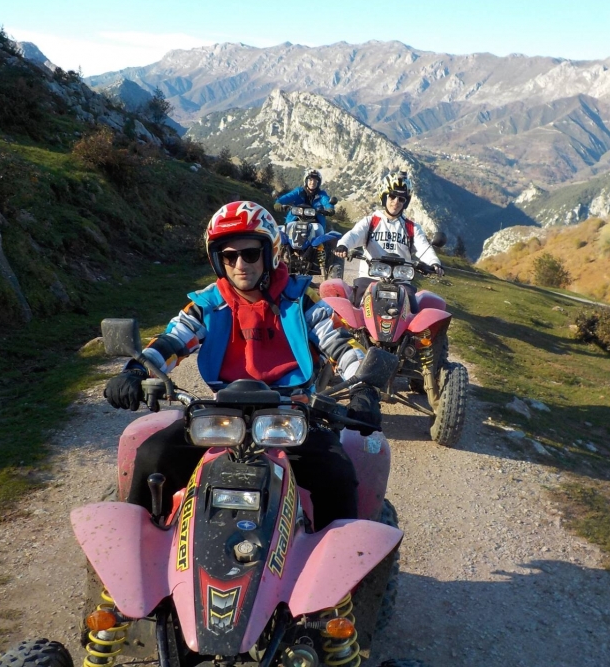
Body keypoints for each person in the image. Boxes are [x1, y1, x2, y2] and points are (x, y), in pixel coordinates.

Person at [103, 201, 381, 530]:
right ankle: (138, 558)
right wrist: (135, 370)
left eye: (250, 254)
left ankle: (343, 570)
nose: (240, 264)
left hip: (291, 415)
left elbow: (337, 343)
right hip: (221, 416)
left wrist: (363, 385)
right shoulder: (208, 304)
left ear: (270, 253)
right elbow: (172, 341)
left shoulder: (299, 301)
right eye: (229, 256)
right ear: (218, 260)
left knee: (337, 472)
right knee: (153, 456)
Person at [334, 170, 444, 306]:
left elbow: (424, 247)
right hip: (370, 278)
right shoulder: (371, 221)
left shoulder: (412, 227)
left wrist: (434, 262)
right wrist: (343, 245)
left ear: (406, 202)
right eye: (392, 196)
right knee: (353, 307)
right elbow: (355, 234)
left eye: (401, 199)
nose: (396, 202)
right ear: (384, 197)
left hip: (401, 281)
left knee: (412, 308)